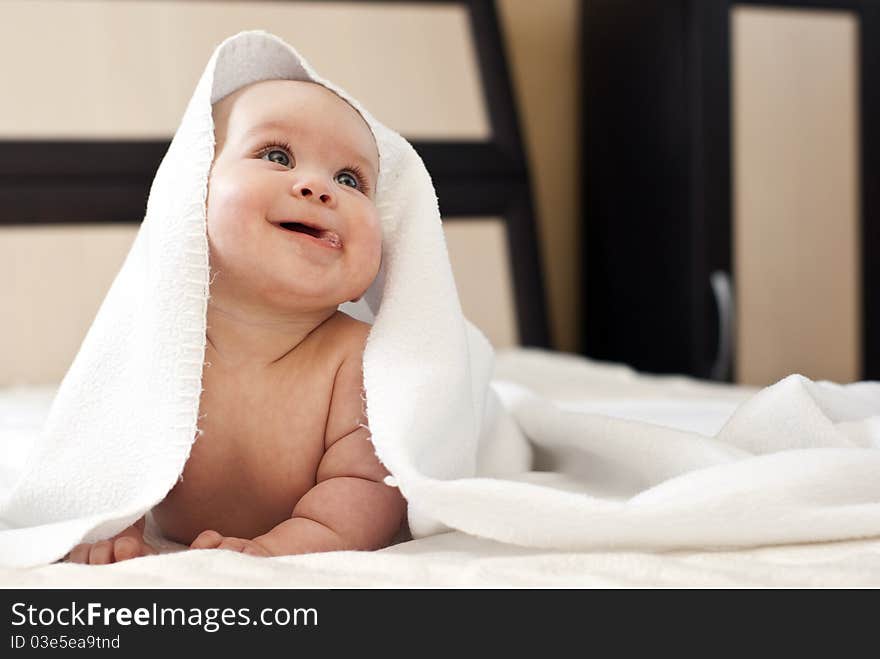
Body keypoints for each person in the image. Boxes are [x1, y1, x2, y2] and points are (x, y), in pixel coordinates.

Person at [67, 79, 407, 563]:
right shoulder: (158, 339)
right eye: (277, 156)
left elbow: (370, 486)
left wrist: (285, 545)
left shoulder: (358, 357)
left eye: (350, 180)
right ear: (191, 198)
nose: (318, 188)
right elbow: (111, 452)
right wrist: (116, 526)